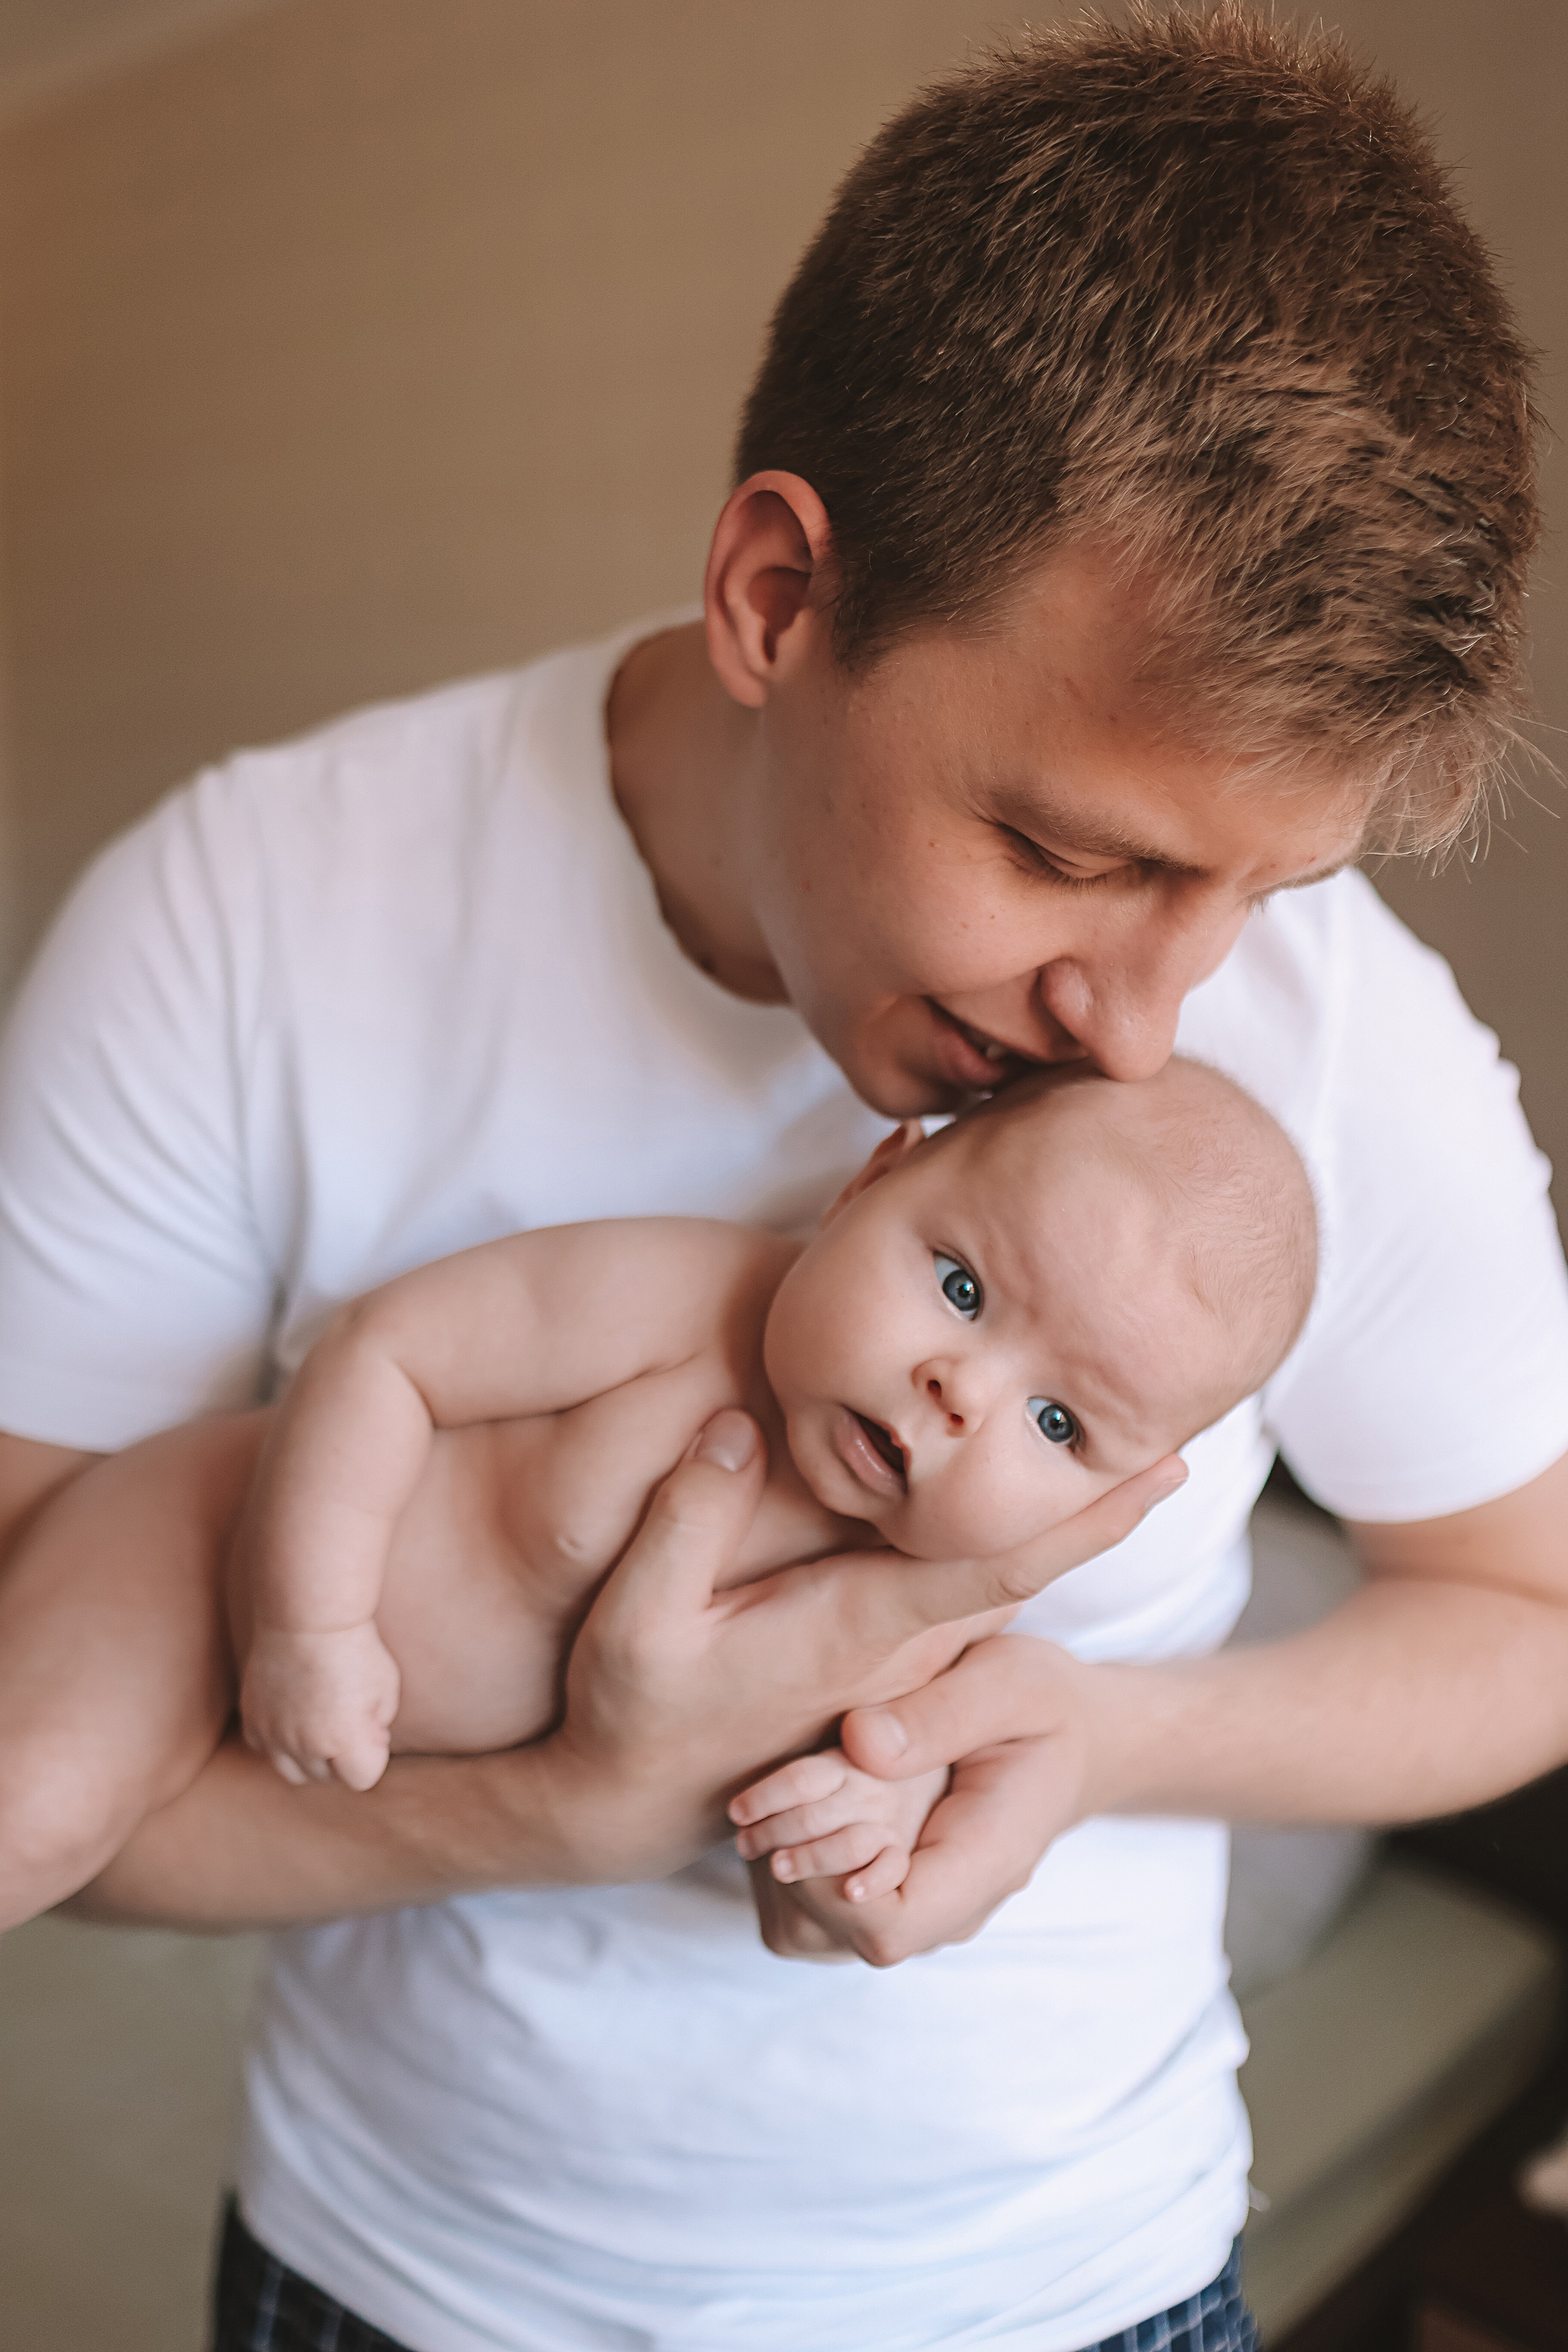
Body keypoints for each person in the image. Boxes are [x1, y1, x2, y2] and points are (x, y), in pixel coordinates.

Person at [2, 9, 1567, 2349]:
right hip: (397, 2283)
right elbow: (56, 1733)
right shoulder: (251, 912)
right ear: (772, 597)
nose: (1147, 1024)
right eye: (1063, 851)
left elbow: (1533, 1620)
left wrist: (1112, 1741)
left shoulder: (1334, 1043)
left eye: (1250, 897)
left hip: (1078, 2293)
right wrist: (559, 1812)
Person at [0, 1057, 1314, 1932]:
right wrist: (309, 1623)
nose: (956, 1390)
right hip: (196, 1547)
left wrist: (863, 1816)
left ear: (1121, 1498)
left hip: (326, 1758)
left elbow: (855, 1793)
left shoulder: (938, 1607)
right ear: (871, 1183)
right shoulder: (685, 1305)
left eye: (1055, 1421)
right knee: (35, 1815)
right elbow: (382, 1355)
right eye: (961, 1289)